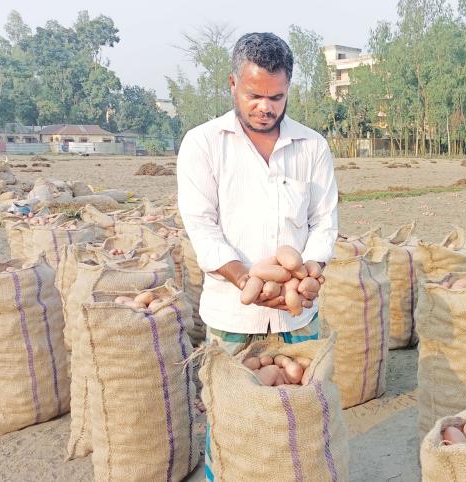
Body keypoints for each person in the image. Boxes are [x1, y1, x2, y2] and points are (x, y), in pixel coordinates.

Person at [177, 31, 339, 480]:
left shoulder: (312, 147)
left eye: (276, 96)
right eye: (254, 95)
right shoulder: (203, 143)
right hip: (233, 312)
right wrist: (247, 279)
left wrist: (310, 271)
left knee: (305, 410)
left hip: (298, 313)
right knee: (228, 412)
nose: (264, 106)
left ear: (288, 91)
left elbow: (325, 222)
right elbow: (201, 225)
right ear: (233, 83)